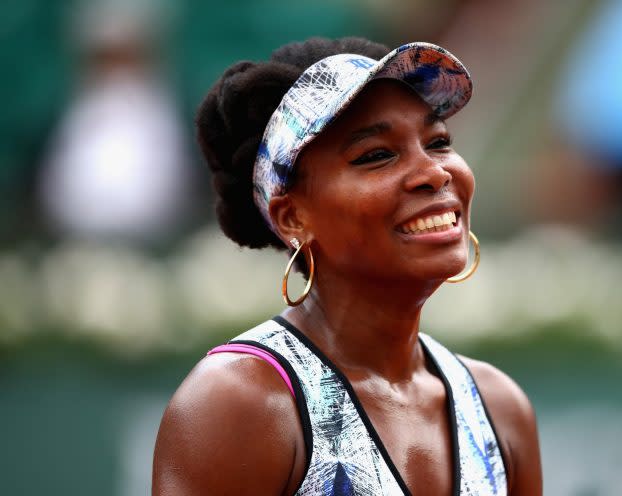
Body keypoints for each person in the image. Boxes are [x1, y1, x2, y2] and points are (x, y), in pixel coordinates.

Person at [153, 37, 542, 495]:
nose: (435, 172)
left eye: (438, 142)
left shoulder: (500, 407)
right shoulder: (240, 403)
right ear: (293, 217)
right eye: (377, 154)